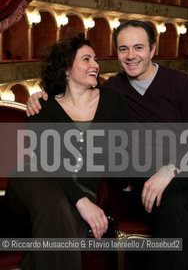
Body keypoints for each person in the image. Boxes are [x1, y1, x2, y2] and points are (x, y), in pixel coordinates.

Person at [25, 20, 188, 270]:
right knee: (172, 213)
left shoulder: (179, 82)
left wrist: (169, 169)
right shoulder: (112, 89)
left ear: (153, 49)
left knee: (174, 204)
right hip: (143, 178)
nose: (131, 55)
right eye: (123, 49)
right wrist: (39, 94)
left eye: (138, 47)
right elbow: (71, 89)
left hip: (186, 170)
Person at [5, 34, 129, 270]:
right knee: (55, 202)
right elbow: (47, 162)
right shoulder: (44, 105)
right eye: (86, 59)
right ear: (66, 69)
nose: (95, 65)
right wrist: (82, 202)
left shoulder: (114, 102)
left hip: (77, 196)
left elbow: (119, 157)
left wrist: (128, 186)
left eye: (95, 59)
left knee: (63, 228)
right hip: (34, 183)